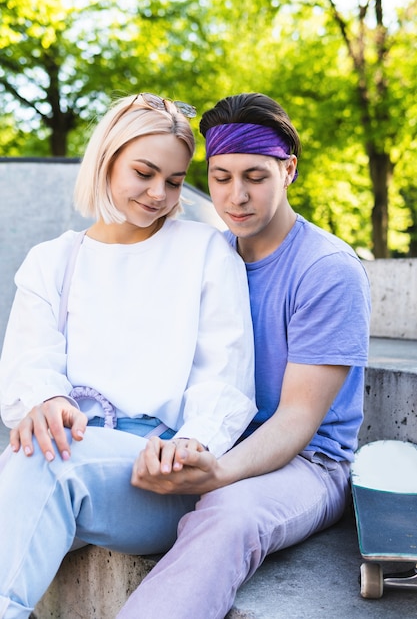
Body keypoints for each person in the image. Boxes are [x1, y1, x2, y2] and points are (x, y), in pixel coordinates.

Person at [0, 93, 258, 618]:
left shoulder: (206, 249)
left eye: (174, 180)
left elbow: (227, 379)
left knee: (43, 463)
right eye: (144, 172)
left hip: (158, 474)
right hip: (69, 453)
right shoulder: (53, 261)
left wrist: (191, 445)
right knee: (41, 452)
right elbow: (27, 367)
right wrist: (47, 399)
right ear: (107, 159)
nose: (158, 193)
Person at [117, 92, 371, 619]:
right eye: (221, 176)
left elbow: (298, 420)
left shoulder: (327, 270)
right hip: (213, 436)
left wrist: (217, 473)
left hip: (308, 465)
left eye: (255, 176)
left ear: (289, 171)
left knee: (227, 514)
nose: (236, 196)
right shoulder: (207, 255)